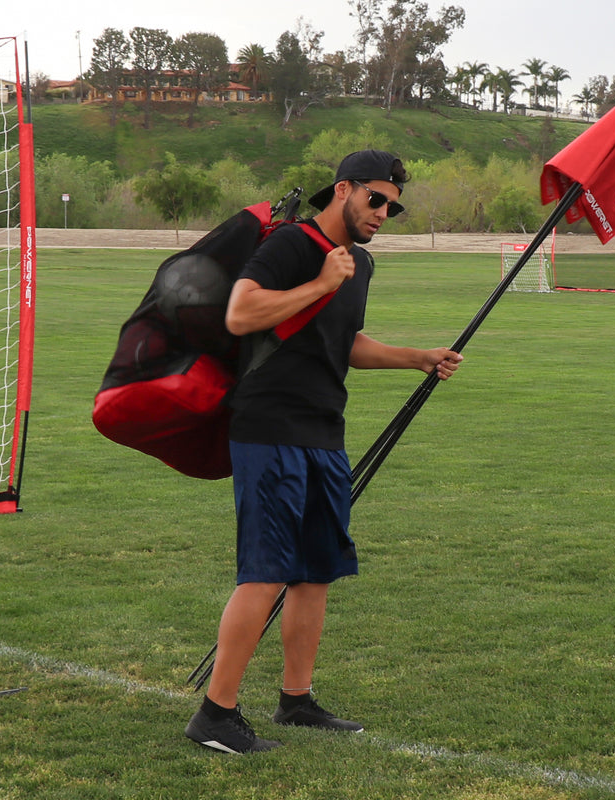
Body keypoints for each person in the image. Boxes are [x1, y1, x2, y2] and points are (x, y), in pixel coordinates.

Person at [185, 150, 463, 754]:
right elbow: (241, 313)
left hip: (323, 431)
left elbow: (345, 341)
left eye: (394, 205)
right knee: (265, 571)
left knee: (315, 572)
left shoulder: (358, 265)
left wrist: (417, 356)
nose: (385, 212)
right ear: (344, 190)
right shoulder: (292, 246)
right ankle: (215, 714)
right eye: (377, 199)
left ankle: (296, 700)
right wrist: (320, 280)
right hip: (268, 428)